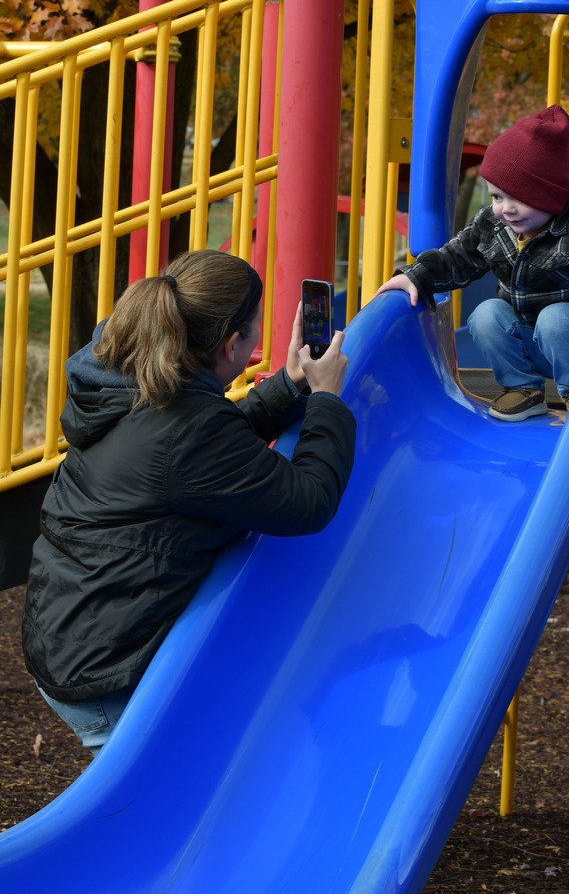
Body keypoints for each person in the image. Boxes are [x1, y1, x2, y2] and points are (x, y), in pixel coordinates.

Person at [22, 249, 356, 755]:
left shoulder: (132, 376)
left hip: (69, 626)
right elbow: (309, 500)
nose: (258, 341)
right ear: (229, 345)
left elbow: (202, 458)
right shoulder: (188, 428)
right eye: (255, 330)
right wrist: (328, 399)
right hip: (104, 671)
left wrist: (289, 387)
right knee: (171, 804)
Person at [376, 105, 569, 421]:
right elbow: (455, 259)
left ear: (549, 196)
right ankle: (523, 389)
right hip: (535, 343)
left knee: (555, 318)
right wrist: (416, 277)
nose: (505, 209)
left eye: (519, 198)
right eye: (496, 197)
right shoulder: (493, 226)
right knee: (485, 314)